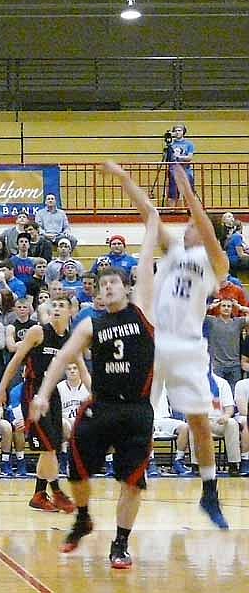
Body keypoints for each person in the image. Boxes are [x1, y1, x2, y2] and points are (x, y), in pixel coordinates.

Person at [29, 209, 158, 568]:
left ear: (127, 287)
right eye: (102, 285)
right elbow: (60, 358)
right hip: (100, 407)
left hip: (136, 408)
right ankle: (83, 517)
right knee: (76, 468)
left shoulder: (142, 311)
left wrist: (150, 222)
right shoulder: (90, 324)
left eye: (113, 283)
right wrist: (41, 394)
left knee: (132, 483)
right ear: (97, 294)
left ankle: (120, 543)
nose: (107, 287)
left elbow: (146, 258)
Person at [104, 160, 230, 529]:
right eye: (189, 224)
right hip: (153, 342)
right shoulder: (174, 251)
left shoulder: (216, 263)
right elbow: (150, 213)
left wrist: (189, 194)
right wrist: (126, 178)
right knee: (137, 415)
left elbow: (207, 228)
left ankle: (209, 490)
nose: (189, 227)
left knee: (199, 422)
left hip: (188, 347)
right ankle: (127, 473)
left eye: (193, 224)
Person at [0, 294, 84, 514]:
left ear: (72, 311)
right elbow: (15, 361)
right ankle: (57, 492)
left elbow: (82, 369)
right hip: (33, 393)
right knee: (49, 447)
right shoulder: (38, 332)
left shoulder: (70, 339)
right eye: (54, 305)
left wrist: (97, 396)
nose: (57, 308)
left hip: (53, 394)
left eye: (62, 305)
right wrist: (1, 389)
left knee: (50, 447)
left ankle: (38, 495)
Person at [205, 298, 249, 393]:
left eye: (229, 306)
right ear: (219, 307)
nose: (226, 308)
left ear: (232, 308)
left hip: (234, 366)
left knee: (235, 396)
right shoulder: (211, 321)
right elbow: (196, 315)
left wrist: (241, 308)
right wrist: (210, 306)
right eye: (223, 305)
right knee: (218, 395)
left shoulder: (238, 322)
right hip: (217, 365)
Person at [56, 362, 91, 476]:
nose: (72, 371)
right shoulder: (59, 387)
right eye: (69, 368)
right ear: (65, 372)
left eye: (75, 368)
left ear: (80, 370)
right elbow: (56, 410)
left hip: (85, 421)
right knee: (62, 423)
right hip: (65, 421)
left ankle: (108, 463)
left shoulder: (88, 386)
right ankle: (65, 460)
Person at [166, 124, 195, 209]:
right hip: (174, 170)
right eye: (175, 131)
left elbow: (189, 157)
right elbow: (168, 158)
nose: (177, 132)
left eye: (179, 130)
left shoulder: (189, 144)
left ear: (183, 132)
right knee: (173, 191)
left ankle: (190, 209)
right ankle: (172, 211)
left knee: (188, 190)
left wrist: (179, 157)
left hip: (186, 170)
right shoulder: (171, 144)